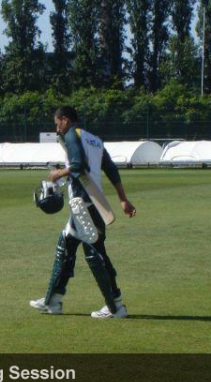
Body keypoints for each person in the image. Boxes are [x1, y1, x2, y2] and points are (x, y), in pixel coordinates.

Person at [30, 106, 136, 319]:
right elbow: (111, 169)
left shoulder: (71, 135)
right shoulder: (94, 139)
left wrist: (57, 173)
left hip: (84, 203)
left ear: (65, 120)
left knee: (95, 254)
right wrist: (123, 198)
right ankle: (53, 301)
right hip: (92, 202)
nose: (56, 127)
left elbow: (78, 165)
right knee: (65, 245)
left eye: (57, 122)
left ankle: (116, 307)